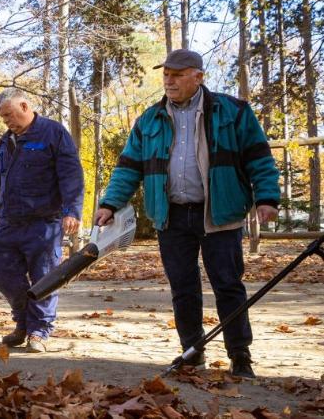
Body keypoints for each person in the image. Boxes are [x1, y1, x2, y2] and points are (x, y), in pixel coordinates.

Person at [94, 49, 280, 378]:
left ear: (198, 77)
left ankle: (240, 355)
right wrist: (110, 204)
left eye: (178, 74)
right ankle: (192, 352)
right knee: (183, 287)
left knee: (228, 285)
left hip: (219, 214)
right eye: (166, 73)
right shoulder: (149, 119)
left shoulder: (233, 112)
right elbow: (128, 168)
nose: (169, 80)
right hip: (172, 216)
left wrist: (266, 197)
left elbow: (259, 158)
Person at [0, 88, 84, 353]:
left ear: (25, 106)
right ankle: (23, 323)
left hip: (43, 222)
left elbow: (71, 175)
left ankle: (39, 331)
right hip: (8, 222)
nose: (7, 123)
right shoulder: (5, 142)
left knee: (44, 279)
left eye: (9, 116)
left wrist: (72, 210)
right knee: (6, 278)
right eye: (3, 119)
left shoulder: (53, 133)